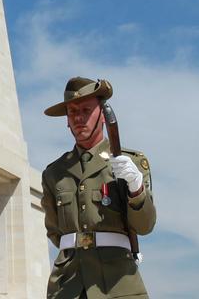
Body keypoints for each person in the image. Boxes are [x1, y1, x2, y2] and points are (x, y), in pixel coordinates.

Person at [41, 77, 156, 298]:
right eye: (72, 112)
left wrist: (136, 188)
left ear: (103, 115)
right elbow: (55, 233)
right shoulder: (54, 173)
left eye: (86, 110)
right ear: (66, 120)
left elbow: (145, 225)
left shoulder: (129, 163)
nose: (78, 118)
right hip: (68, 286)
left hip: (118, 285)